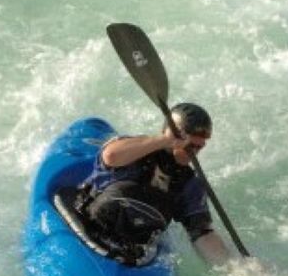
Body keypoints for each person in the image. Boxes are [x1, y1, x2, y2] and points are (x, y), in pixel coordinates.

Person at [72, 102, 232, 265]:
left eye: (199, 148)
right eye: (190, 145)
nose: (194, 152)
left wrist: (233, 268)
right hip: (90, 224)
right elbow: (111, 156)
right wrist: (166, 140)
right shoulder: (140, 149)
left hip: (131, 248)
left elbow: (202, 234)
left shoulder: (190, 183)